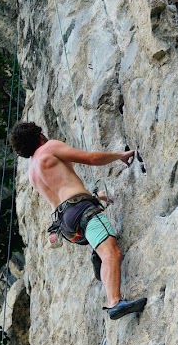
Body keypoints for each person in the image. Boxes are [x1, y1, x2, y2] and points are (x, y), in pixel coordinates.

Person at [8, 121, 147, 320]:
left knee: (104, 247)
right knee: (112, 252)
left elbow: (62, 192)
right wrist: (120, 156)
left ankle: (98, 256)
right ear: (39, 136)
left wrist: (95, 197)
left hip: (67, 223)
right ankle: (114, 301)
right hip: (82, 211)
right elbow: (91, 158)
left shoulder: (32, 173)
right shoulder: (49, 148)